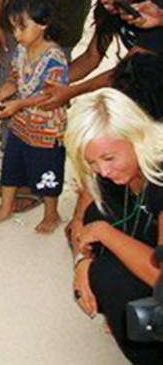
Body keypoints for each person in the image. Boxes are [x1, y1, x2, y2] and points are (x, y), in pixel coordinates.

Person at [66, 88, 163, 364]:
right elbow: (78, 226)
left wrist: (103, 233)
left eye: (109, 158)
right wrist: (82, 261)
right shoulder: (107, 173)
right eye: (92, 162)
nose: (103, 171)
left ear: (136, 136)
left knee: (108, 273)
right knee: (97, 220)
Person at [41, 0, 163, 111]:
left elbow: (128, 71)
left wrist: (70, 92)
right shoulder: (111, 6)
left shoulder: (154, 7)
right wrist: (50, 79)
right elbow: (91, 57)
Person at [0, 0, 67, 233]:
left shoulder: (54, 57)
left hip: (46, 129)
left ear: (43, 23)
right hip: (20, 125)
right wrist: (3, 92)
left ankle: (52, 213)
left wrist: (19, 104)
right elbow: (14, 79)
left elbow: (51, 95)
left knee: (47, 174)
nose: (16, 35)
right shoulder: (20, 50)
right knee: (11, 166)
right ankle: (6, 206)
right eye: (13, 28)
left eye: (22, 28)